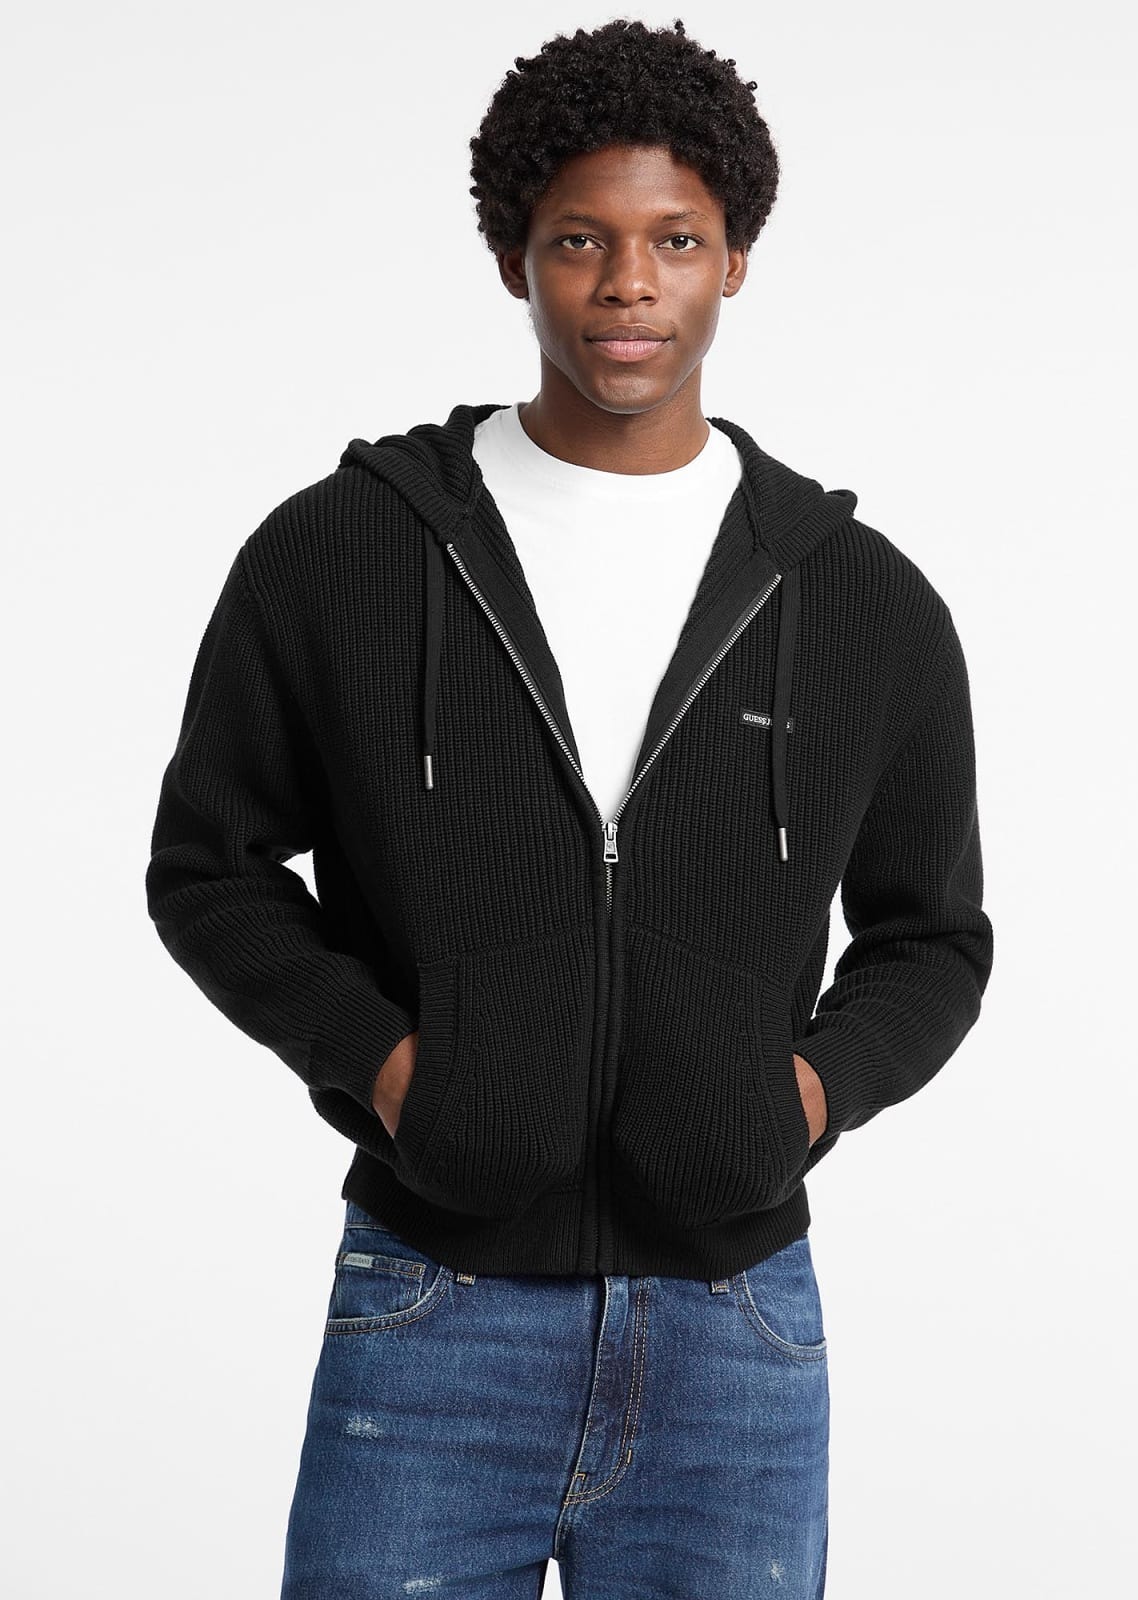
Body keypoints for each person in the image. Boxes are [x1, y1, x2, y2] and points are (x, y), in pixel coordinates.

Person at [145, 17, 993, 1599]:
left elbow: (933, 939)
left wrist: (802, 1101)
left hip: (738, 1336)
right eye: (580, 240)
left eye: (675, 240)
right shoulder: (342, 555)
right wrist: (392, 1070)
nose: (627, 286)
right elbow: (212, 870)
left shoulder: (861, 602)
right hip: (432, 1308)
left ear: (735, 259)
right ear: (513, 258)